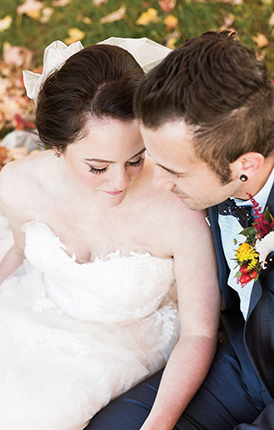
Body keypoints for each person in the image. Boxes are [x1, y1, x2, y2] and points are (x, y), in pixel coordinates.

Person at [0, 38, 219, 430]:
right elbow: (20, 251)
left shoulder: (179, 208)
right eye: (98, 167)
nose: (119, 182)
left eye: (136, 158)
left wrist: (158, 423)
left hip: (123, 349)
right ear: (56, 147)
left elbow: (200, 333)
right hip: (29, 318)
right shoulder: (19, 185)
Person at [85, 30, 274, 430]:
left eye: (174, 171)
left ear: (247, 165)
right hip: (239, 367)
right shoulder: (223, 178)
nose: (159, 184)